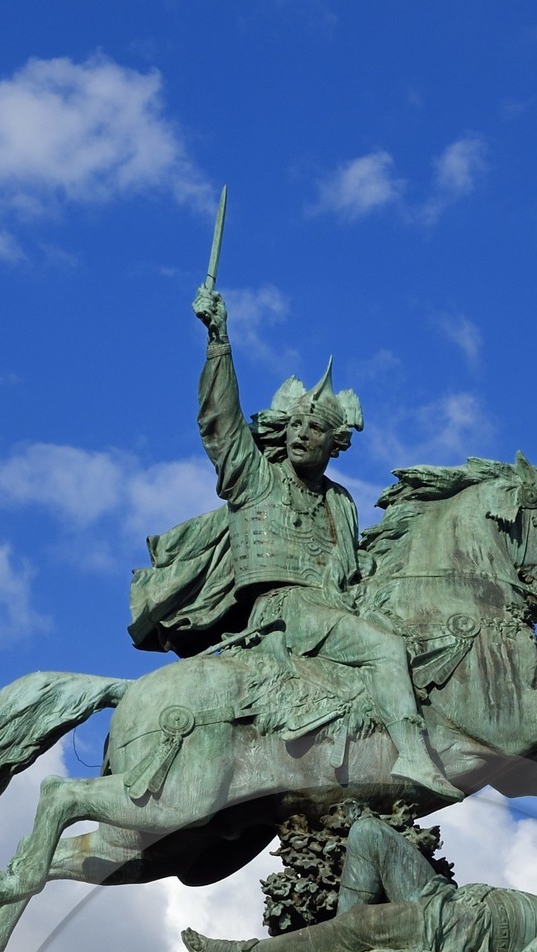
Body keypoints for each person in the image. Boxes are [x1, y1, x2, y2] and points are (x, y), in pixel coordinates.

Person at [172, 276, 464, 803]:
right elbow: (221, 423)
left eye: (315, 429)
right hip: (287, 613)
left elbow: (357, 570)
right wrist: (219, 342)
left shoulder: (342, 502)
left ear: (336, 443)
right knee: (383, 648)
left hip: (333, 609)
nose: (301, 433)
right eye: (297, 424)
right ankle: (414, 755)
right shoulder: (255, 477)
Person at [177, 812, 537, 952]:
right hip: (454, 899)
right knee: (368, 833)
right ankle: (334, 949)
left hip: (466, 930)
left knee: (364, 925)